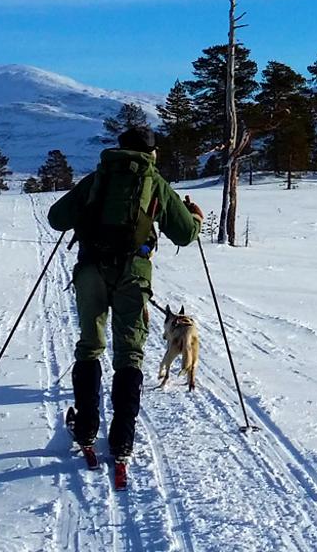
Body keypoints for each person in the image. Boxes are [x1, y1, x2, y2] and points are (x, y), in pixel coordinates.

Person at [47, 125, 202, 471]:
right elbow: (185, 234)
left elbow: (56, 218)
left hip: (90, 270)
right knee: (129, 353)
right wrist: (195, 217)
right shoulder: (155, 182)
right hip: (134, 273)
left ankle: (86, 429)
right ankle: (122, 439)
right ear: (152, 152)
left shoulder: (97, 178)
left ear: (118, 149)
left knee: (90, 345)